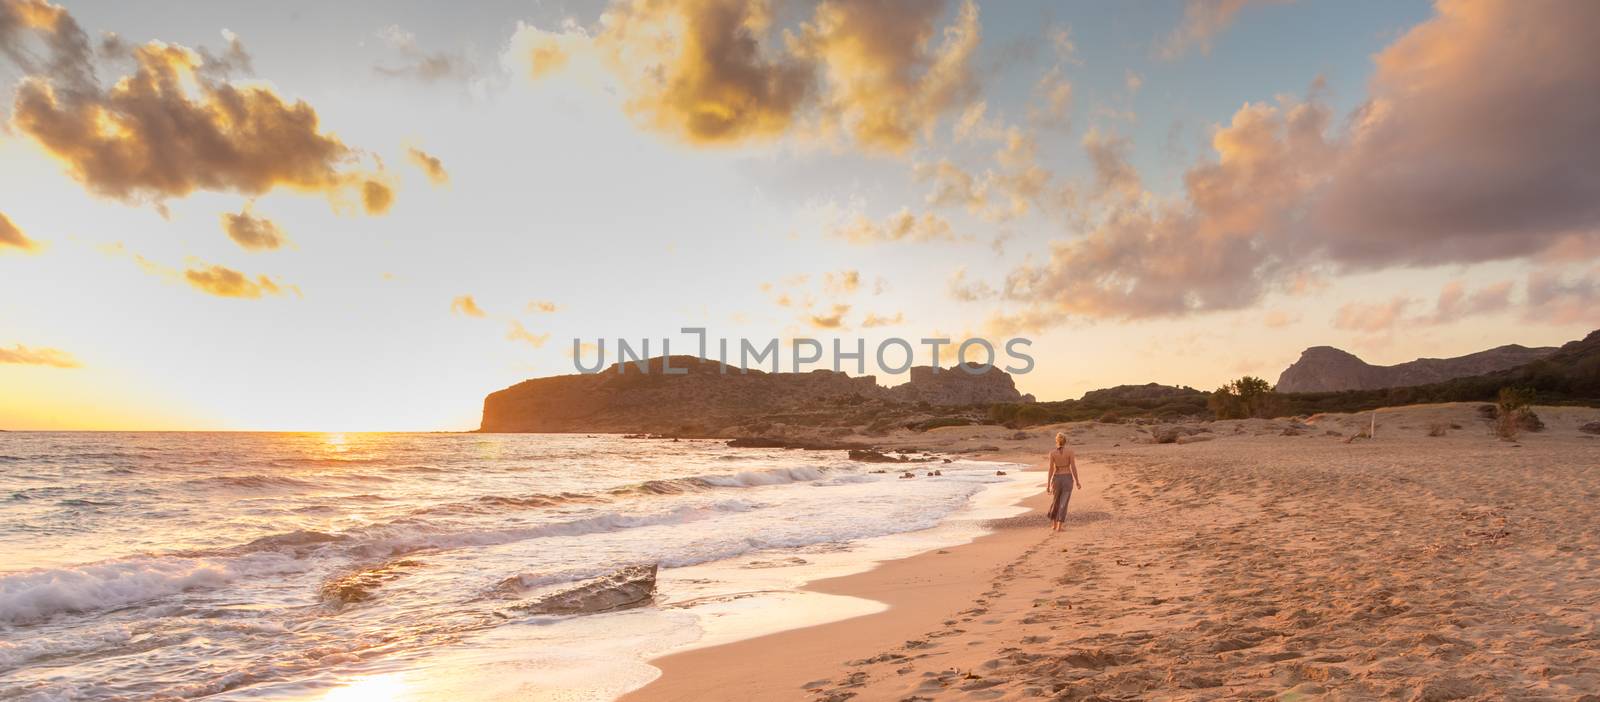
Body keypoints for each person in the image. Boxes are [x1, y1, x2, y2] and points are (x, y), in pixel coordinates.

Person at [1046, 432, 1081, 532]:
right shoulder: (1070, 452)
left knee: (1055, 501)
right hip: (1067, 478)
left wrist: (1048, 484)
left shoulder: (1052, 453)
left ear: (1057, 441)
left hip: (1056, 478)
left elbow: (1050, 469)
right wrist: (1077, 481)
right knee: (1063, 502)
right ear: (1065, 441)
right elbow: (1073, 467)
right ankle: (1059, 527)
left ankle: (1054, 525)